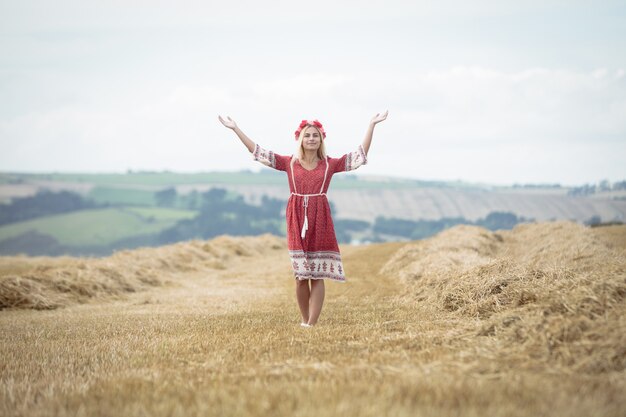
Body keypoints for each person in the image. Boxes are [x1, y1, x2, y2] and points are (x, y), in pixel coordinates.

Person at [218, 112, 388, 327]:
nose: (311, 139)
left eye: (315, 136)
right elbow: (258, 152)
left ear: (321, 139)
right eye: (307, 135)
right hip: (296, 218)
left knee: (317, 274)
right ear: (300, 138)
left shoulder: (329, 164)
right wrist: (235, 128)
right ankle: (304, 319)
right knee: (300, 275)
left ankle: (312, 323)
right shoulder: (289, 163)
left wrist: (371, 125)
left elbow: (359, 156)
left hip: (321, 218)